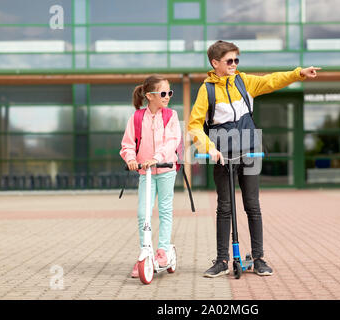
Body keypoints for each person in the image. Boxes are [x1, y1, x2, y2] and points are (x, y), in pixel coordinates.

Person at [188, 40, 320, 278]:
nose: (234, 64)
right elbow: (195, 125)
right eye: (229, 61)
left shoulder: (244, 81)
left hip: (250, 149)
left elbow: (271, 80)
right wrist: (209, 148)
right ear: (215, 63)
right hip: (222, 155)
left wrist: (297, 73)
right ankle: (221, 260)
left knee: (253, 206)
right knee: (224, 208)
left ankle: (258, 258)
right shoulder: (206, 89)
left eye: (237, 60)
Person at [120, 74, 181, 278]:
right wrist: (130, 158)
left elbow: (172, 141)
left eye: (169, 92)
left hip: (165, 170)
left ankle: (162, 250)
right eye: (163, 93)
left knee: (164, 210)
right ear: (150, 95)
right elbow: (128, 144)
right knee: (142, 213)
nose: (167, 96)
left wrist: (156, 157)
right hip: (145, 172)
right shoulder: (136, 118)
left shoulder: (170, 116)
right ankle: (145, 251)